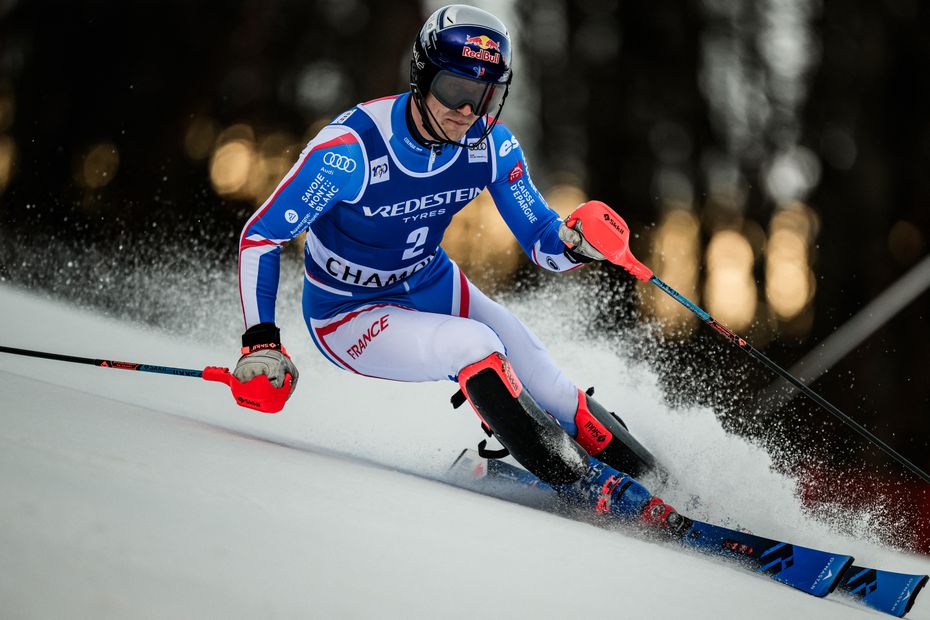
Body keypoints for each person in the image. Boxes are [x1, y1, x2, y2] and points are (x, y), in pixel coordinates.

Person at [229, 4, 669, 521]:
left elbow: (543, 243)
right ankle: (588, 488)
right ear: (421, 78)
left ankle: (670, 488)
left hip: (431, 281)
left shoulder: (492, 147)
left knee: (552, 388)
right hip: (350, 315)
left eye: (484, 95)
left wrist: (576, 243)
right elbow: (261, 236)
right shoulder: (349, 151)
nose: (467, 111)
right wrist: (261, 342)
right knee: (476, 346)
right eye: (455, 90)